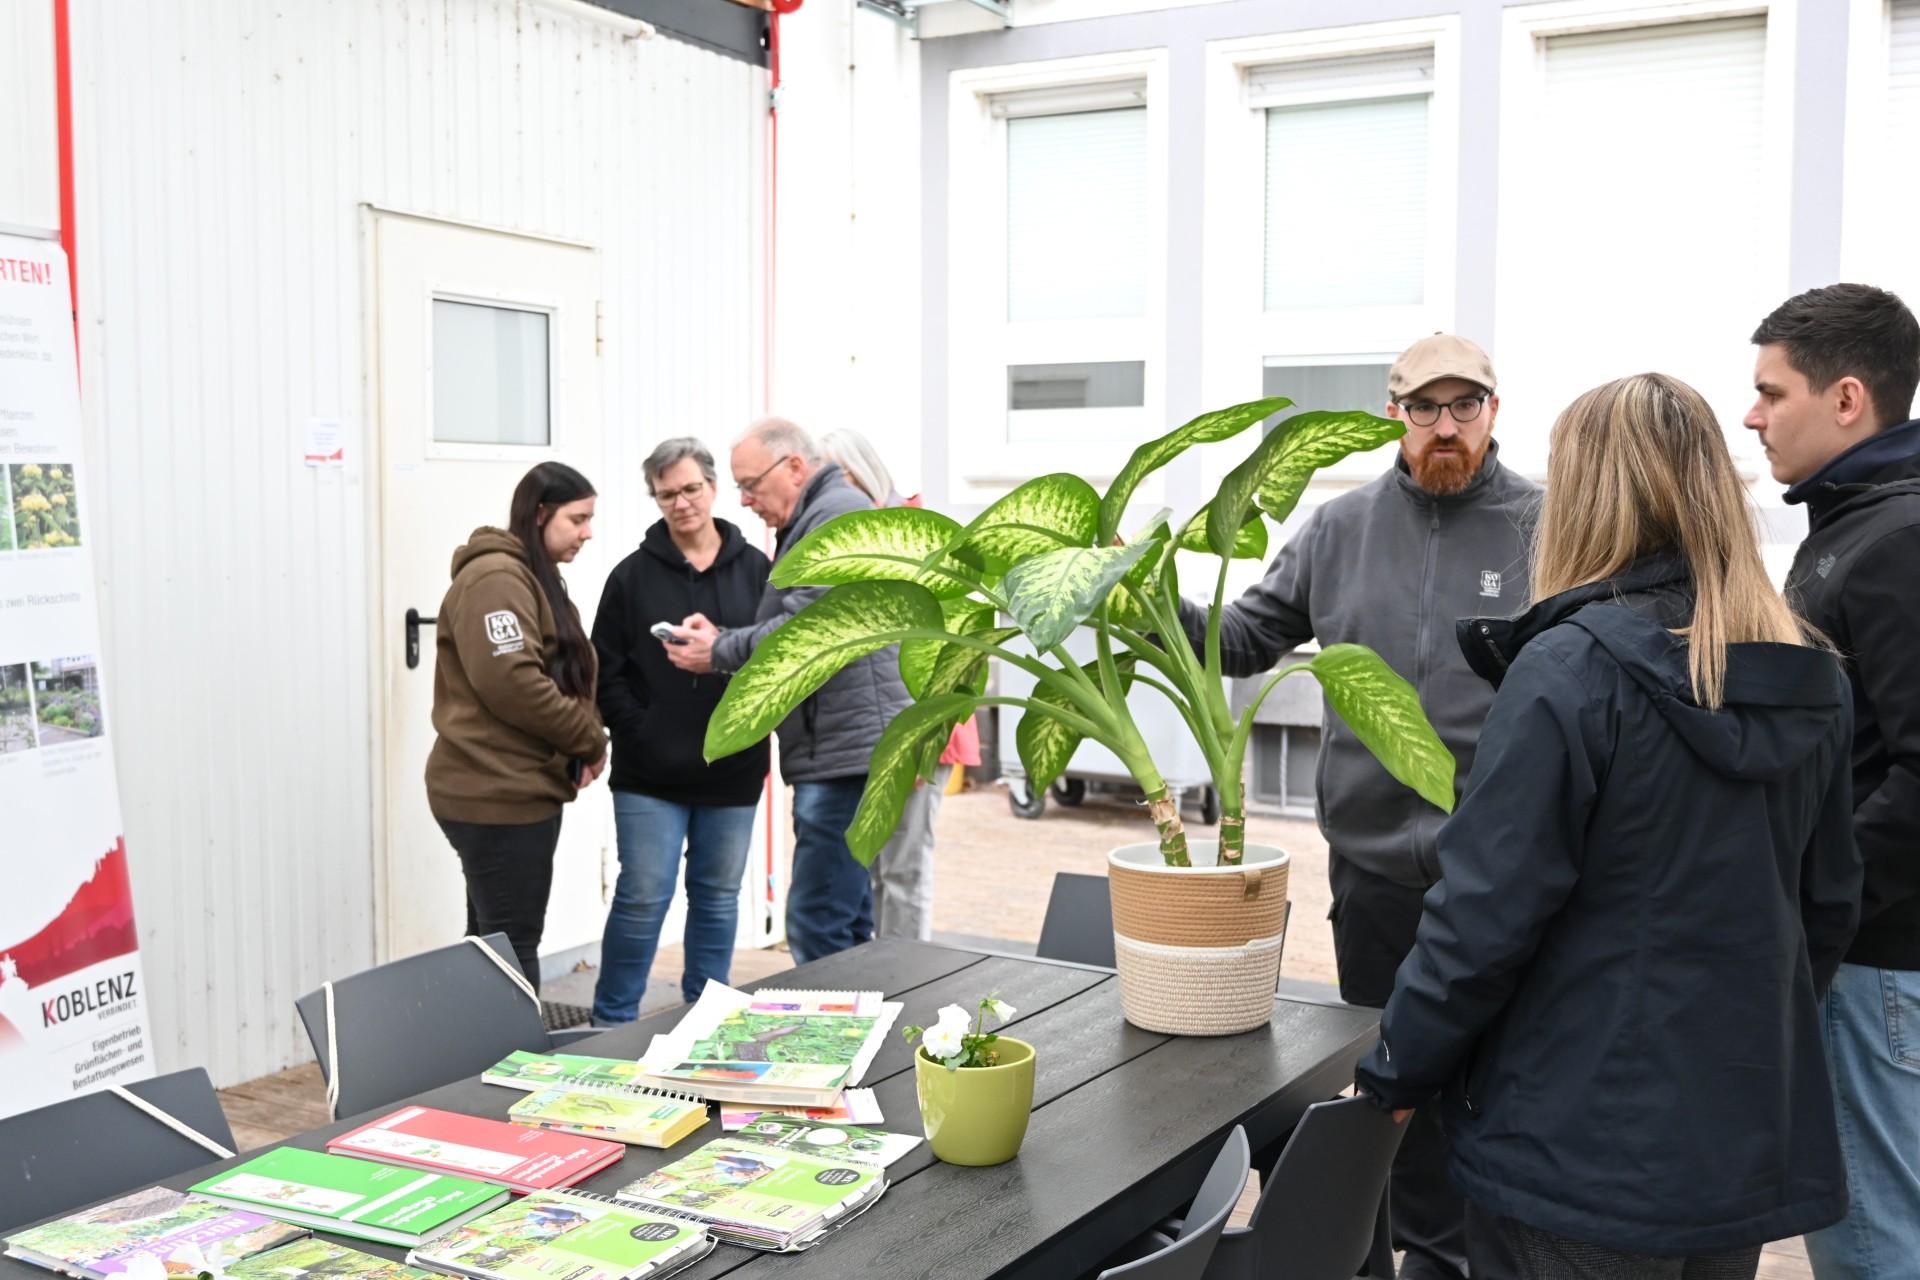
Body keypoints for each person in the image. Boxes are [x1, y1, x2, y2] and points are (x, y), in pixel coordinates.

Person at [1354, 372, 1859, 1277]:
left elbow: (1483, 917)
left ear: (1583, 497)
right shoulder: (1807, 672)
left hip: (1573, 1150)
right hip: (1730, 1147)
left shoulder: (1569, 671)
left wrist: (1396, 1073)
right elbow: (1824, 910)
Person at [1176, 334, 1535, 1279]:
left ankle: (1467, 1260)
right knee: (1387, 1087)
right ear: (1395, 415)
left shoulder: (1547, 524)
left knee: (1496, 1089)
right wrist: (1149, 598)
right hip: (1374, 869)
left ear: (1497, 410)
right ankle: (1396, 1259)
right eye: (1426, 408)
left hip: (1504, 871)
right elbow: (1248, 634)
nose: (1445, 427)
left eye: (1465, 406)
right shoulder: (1341, 530)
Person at [1742, 282, 1920, 1278]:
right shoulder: (1852, 524)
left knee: (1874, 1245)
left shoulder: (1894, 540)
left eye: (1772, 390)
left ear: (1846, 397)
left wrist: (1824, 906)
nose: (1752, 413)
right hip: (1868, 960)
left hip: (1876, 966)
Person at [666, 417, 912, 963]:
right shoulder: (819, 514)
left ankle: (830, 1043)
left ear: (795, 466)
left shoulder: (834, 513)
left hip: (844, 752)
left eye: (750, 484)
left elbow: (809, 628)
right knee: (844, 919)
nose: (746, 500)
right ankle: (865, 1032)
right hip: (841, 745)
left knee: (819, 919)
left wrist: (719, 651)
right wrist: (726, 640)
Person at [588, 437, 772, 1023]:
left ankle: (706, 1022)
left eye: (691, 489)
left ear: (713, 488)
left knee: (718, 901)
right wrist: (640, 730)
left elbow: (778, 659)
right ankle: (610, 1022)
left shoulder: (759, 571)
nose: (681, 503)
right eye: (666, 494)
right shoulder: (631, 578)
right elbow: (605, 670)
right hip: (649, 774)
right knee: (642, 899)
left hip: (734, 768)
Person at [425, 461, 608, 990]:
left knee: (491, 941)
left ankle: (477, 1057)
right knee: (511, 946)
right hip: (495, 792)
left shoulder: (531, 576)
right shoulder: (496, 580)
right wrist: (589, 739)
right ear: (541, 513)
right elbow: (514, 683)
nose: (587, 532)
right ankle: (513, 1066)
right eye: (578, 518)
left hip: (515, 788)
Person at [818, 427, 981, 942]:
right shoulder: (846, 535)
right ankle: (880, 984)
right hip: (864, 734)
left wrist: (921, 742)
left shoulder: (915, 532)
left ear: (858, 471)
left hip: (918, 729)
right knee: (868, 871)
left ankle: (908, 983)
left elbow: (948, 645)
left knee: (904, 871)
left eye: (835, 475)